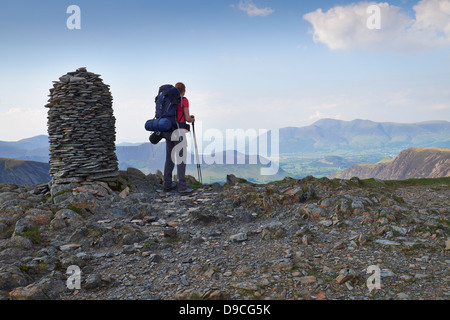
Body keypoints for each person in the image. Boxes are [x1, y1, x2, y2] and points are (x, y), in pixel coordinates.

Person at [162, 82, 195, 194]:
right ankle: (182, 187)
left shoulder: (168, 100)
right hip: (179, 132)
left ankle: (167, 185)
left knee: (169, 158)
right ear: (183, 90)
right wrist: (192, 119)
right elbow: (186, 118)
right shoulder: (183, 100)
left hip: (168, 131)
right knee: (181, 159)